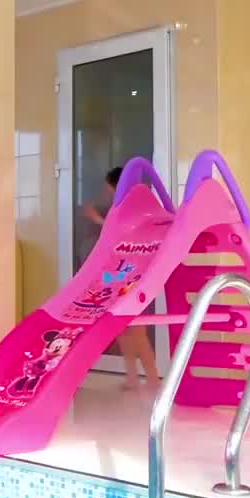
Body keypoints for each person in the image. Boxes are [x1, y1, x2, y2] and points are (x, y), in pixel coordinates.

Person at [83, 166, 160, 390]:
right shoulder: (124, 206)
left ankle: (153, 379)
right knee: (123, 330)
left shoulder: (133, 207)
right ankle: (134, 378)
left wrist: (97, 220)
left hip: (133, 273)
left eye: (109, 187)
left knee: (137, 330)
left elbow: (121, 233)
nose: (108, 191)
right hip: (121, 272)